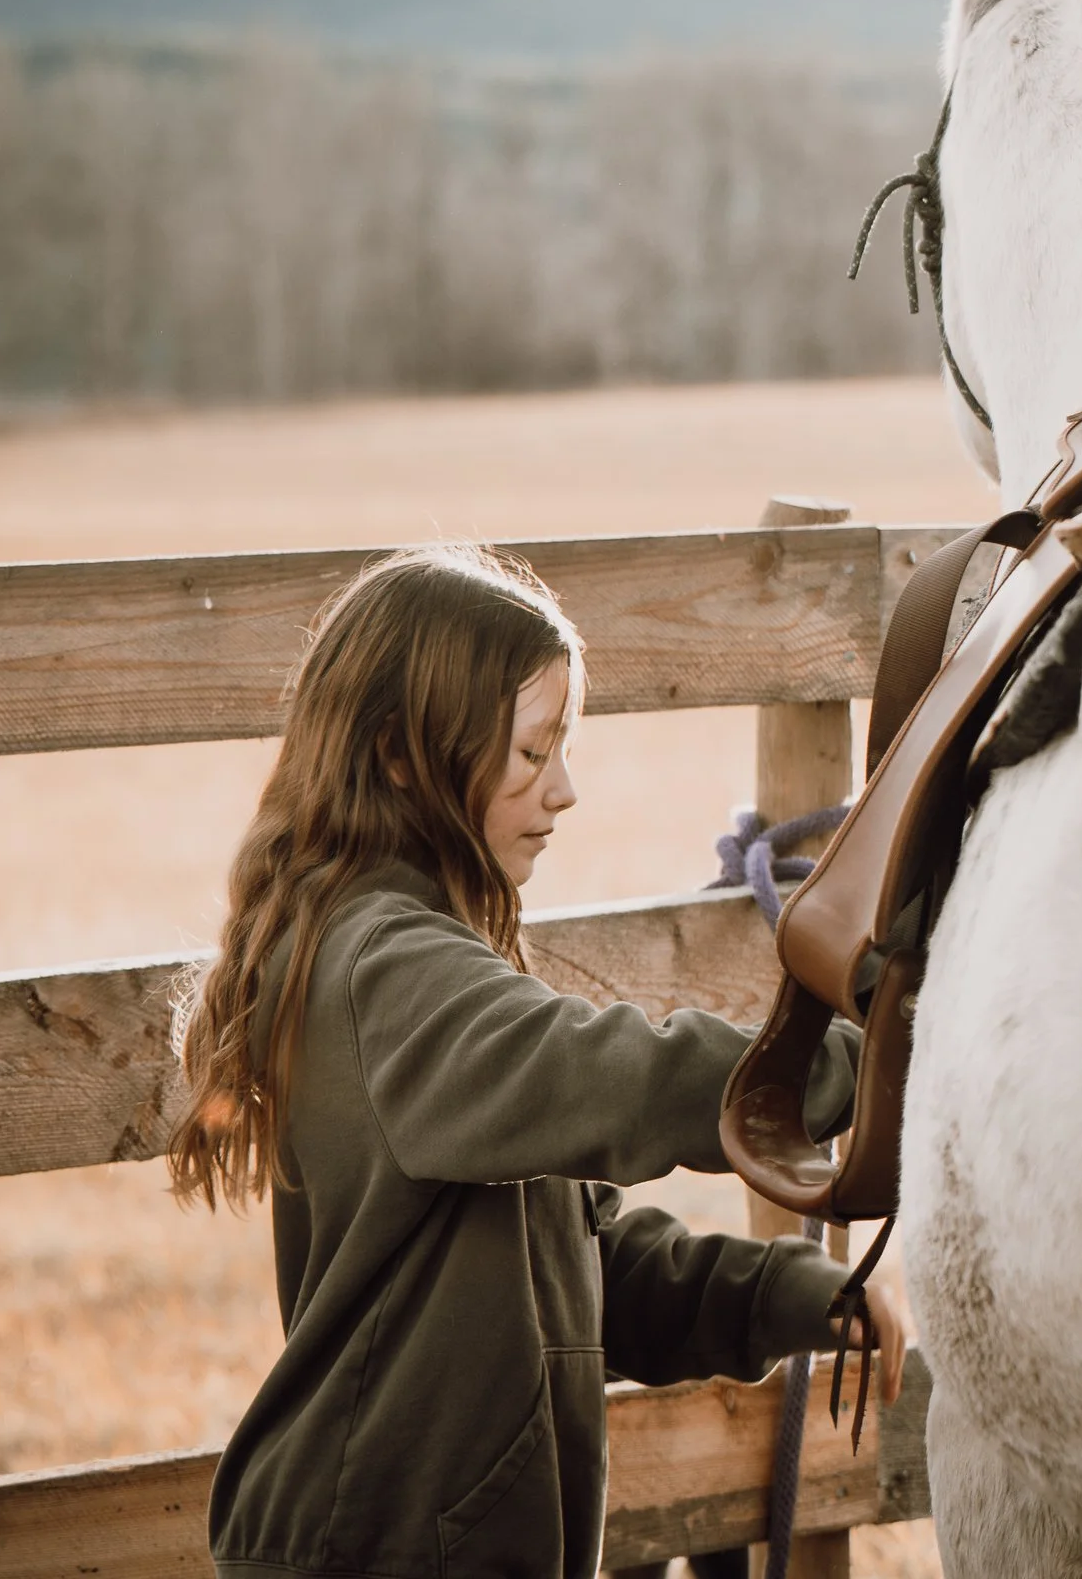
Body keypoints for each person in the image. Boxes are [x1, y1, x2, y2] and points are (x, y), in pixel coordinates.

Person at [166, 542, 898, 1579]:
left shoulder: (416, 964)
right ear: (402, 755)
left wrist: (784, 1293)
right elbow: (622, 1080)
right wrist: (872, 1070)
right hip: (373, 1549)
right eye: (529, 752)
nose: (564, 791)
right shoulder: (384, 971)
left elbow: (576, 1270)